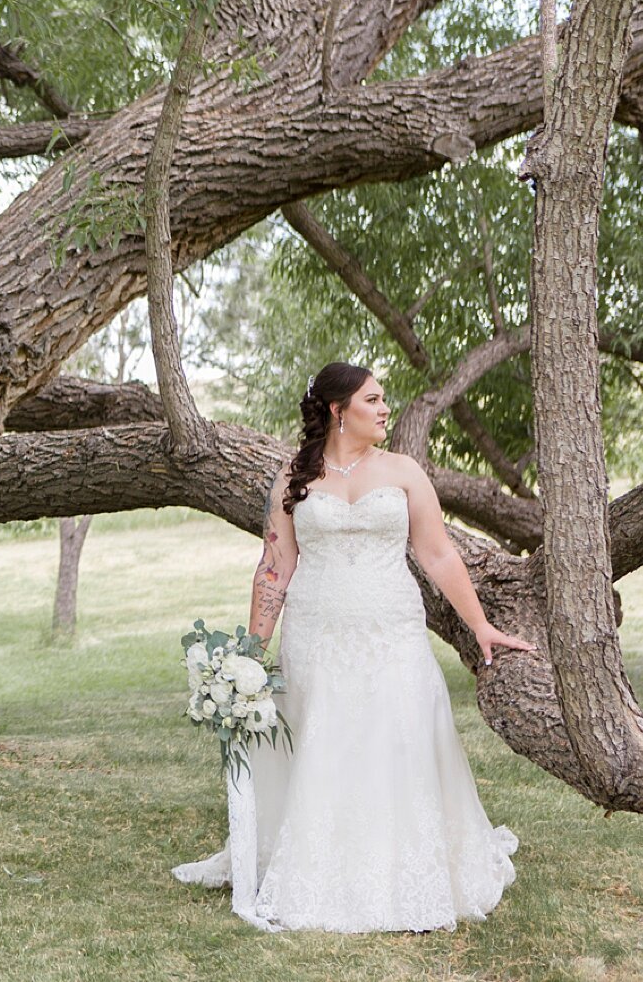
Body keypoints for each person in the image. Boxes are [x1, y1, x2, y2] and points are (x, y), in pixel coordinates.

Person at [175, 361, 532, 932]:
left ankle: (406, 871)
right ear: (340, 411)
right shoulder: (295, 475)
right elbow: (274, 566)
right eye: (374, 399)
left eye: (383, 398)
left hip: (391, 628)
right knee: (326, 742)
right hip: (316, 633)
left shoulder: (404, 471)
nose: (386, 408)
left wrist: (481, 625)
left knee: (396, 739)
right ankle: (320, 865)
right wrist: (249, 655)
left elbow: (438, 554)